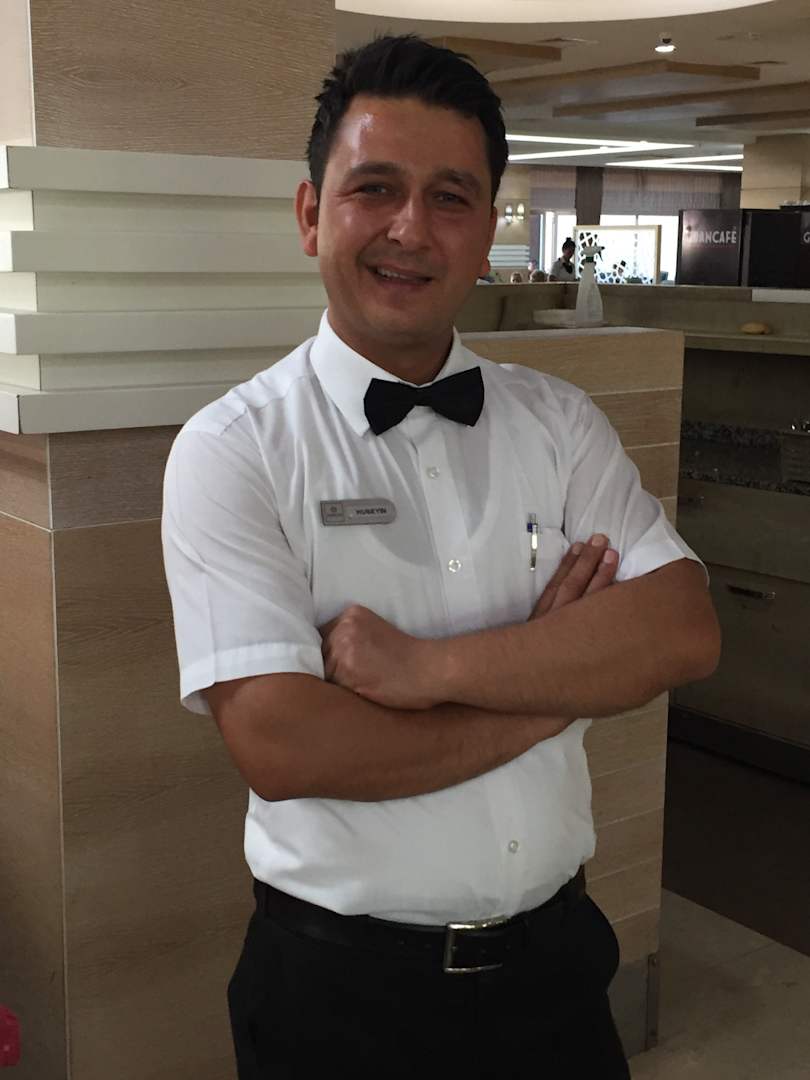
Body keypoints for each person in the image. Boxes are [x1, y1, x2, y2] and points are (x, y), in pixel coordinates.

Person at [161, 34, 720, 1080]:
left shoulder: (561, 422)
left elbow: (681, 628)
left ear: (488, 227)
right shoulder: (234, 449)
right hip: (338, 999)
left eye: (451, 197)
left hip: (558, 975)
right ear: (311, 214)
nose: (411, 229)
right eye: (374, 187)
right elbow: (285, 744)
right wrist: (557, 687)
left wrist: (429, 670)